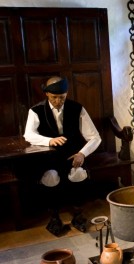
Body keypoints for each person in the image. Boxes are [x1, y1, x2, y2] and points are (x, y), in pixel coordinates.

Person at [24, 76, 101, 236]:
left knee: (79, 174)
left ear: (67, 94)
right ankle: (54, 217)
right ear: (46, 94)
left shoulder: (77, 108)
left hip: (72, 155)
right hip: (48, 158)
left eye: (62, 97)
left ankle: (78, 214)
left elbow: (95, 137)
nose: (58, 101)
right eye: (54, 97)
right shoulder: (36, 110)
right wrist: (50, 140)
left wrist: (82, 153)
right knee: (51, 177)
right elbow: (28, 135)